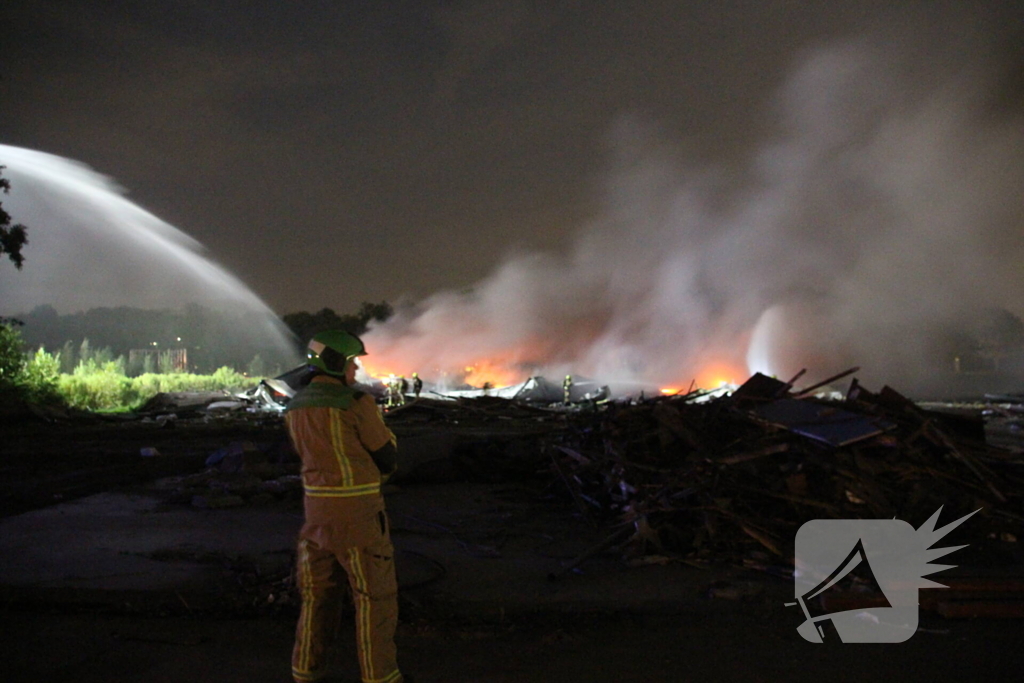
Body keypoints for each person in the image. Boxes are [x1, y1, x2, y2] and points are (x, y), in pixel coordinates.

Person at [284, 330, 407, 683]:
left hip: (315, 519)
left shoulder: (294, 406)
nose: (355, 370)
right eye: (352, 362)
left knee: (317, 599)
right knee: (374, 600)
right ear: (336, 363)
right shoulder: (355, 402)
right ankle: (380, 677)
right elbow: (387, 457)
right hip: (359, 519)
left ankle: (305, 672)